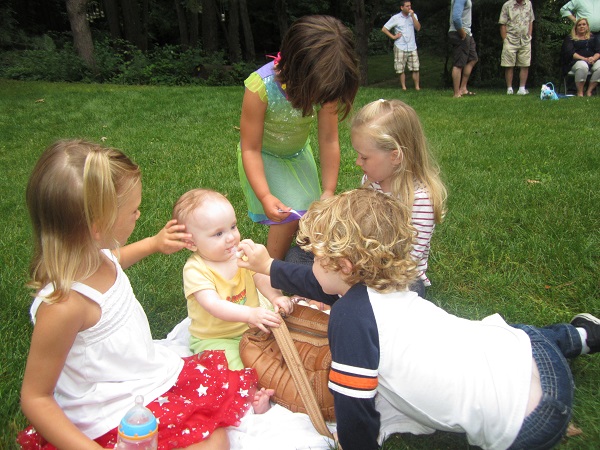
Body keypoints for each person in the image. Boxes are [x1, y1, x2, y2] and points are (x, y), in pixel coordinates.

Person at [237, 188, 600, 450]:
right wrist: (268, 266)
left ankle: (579, 338)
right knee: (497, 335)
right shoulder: (393, 282)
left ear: (344, 266)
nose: (312, 264)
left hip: (526, 423)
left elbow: (354, 406)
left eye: (316, 257)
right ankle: (580, 337)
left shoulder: (349, 318)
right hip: (534, 358)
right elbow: (322, 283)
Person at [17, 140, 273, 450]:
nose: (139, 214)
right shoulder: (64, 305)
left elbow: (116, 259)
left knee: (216, 433)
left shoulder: (95, 256)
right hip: (108, 409)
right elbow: (36, 397)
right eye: (133, 210)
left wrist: (153, 244)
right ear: (98, 227)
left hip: (140, 374)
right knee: (212, 443)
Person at [286, 99, 446, 299]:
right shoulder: (371, 181)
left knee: (412, 288)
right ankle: (341, 296)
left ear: (395, 156)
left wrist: (355, 272)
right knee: (296, 256)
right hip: (357, 264)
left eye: (364, 157)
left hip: (394, 277)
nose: (357, 162)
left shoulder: (420, 200)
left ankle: (331, 295)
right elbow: (356, 230)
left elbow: (407, 262)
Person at [238, 15, 360, 260]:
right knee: (287, 216)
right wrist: (265, 195)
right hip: (263, 156)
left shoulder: (325, 84)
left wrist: (329, 190)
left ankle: (292, 264)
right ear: (297, 69)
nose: (319, 100)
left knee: (309, 215)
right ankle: (270, 270)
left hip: (298, 155)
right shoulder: (260, 87)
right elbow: (250, 148)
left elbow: (329, 139)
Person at [172, 188, 293, 369]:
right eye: (218, 234)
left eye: (233, 227)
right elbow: (213, 305)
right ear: (191, 243)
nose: (231, 237)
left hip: (253, 328)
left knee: (284, 350)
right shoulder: (196, 269)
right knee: (233, 366)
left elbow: (260, 277)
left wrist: (275, 296)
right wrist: (250, 314)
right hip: (217, 338)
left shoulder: (241, 254)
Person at [381, 1, 422, 91]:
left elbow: (418, 28)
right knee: (400, 68)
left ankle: (417, 87)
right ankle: (404, 87)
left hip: (412, 45)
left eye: (410, 6)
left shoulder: (413, 16)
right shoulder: (396, 18)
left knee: (415, 67)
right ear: (402, 7)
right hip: (400, 46)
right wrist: (393, 37)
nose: (409, 8)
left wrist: (413, 16)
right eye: (407, 6)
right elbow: (384, 29)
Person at [499, 0, 535, 95]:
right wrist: (505, 39)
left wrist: (530, 35)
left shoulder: (528, 4)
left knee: (525, 64)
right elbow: (502, 24)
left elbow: (531, 20)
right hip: (510, 39)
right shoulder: (507, 5)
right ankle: (509, 88)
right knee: (508, 65)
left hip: (525, 40)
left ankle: (522, 88)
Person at [561, 18, 600, 96]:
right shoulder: (570, 38)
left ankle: (589, 91)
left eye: (584, 24)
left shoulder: (593, 38)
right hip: (575, 62)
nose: (582, 26)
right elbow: (571, 53)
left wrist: (593, 58)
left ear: (587, 26)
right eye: (579, 25)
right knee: (583, 65)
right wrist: (585, 59)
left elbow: (598, 51)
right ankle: (580, 92)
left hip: (592, 61)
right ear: (576, 27)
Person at [448, 0, 478, 97]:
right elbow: (456, 18)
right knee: (459, 63)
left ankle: (463, 88)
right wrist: (463, 34)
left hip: (467, 32)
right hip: (460, 32)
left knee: (473, 58)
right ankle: (456, 93)